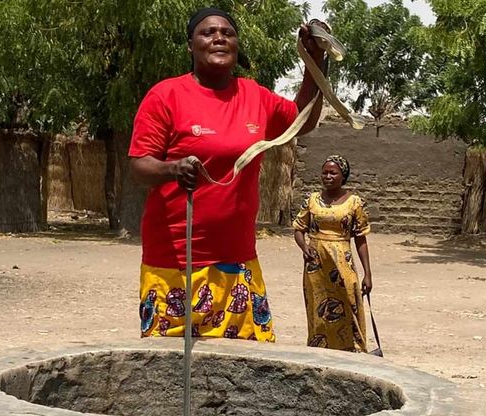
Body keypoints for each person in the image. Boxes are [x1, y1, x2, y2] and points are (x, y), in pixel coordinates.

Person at [129, 7, 327, 340]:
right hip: (177, 262)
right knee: (173, 365)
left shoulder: (254, 95)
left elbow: (301, 121)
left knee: (249, 364)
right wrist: (172, 169)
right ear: (190, 45)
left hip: (238, 261)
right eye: (208, 32)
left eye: (227, 33)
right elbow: (139, 164)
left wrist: (315, 60)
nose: (219, 37)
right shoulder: (166, 96)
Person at [293, 155, 372, 351]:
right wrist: (304, 247)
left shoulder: (354, 203)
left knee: (349, 302)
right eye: (325, 173)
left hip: (342, 261)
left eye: (333, 173)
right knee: (317, 307)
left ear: (343, 175)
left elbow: (360, 238)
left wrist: (367, 274)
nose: (328, 176)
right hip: (316, 265)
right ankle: (319, 349)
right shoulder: (311, 200)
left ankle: (352, 349)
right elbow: (299, 229)